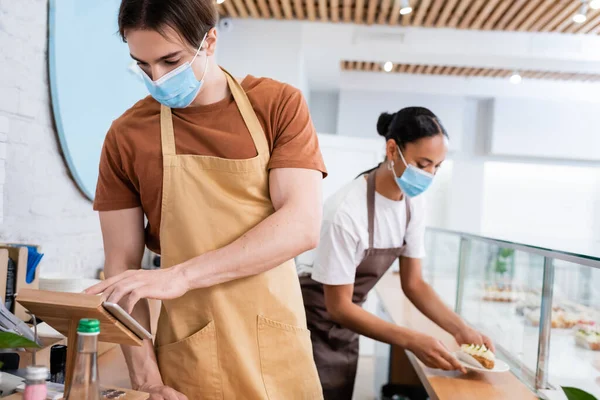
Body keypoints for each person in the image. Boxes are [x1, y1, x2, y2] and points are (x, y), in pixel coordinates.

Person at [85, 0, 326, 399]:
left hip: (275, 344)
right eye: (142, 65)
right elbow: (121, 270)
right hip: (190, 354)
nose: (157, 78)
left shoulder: (278, 106)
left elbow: (300, 226)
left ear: (209, 40)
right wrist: (148, 382)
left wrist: (179, 276)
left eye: (170, 60)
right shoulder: (126, 136)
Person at [298, 107, 494, 399]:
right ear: (392, 150)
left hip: (347, 327)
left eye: (437, 167)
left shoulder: (412, 205)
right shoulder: (346, 212)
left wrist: (460, 329)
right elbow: (338, 306)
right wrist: (411, 339)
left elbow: (413, 283)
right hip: (309, 324)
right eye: (422, 163)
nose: (429, 175)